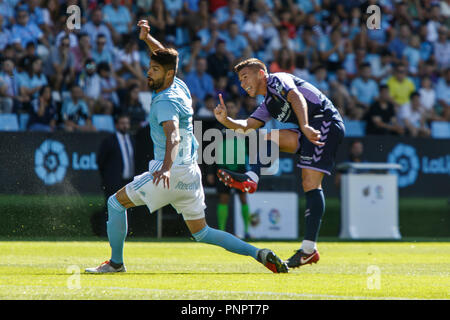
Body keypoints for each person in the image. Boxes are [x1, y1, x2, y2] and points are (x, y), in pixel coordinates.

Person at [85, 20, 288, 274]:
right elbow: (169, 59)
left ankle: (115, 263)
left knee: (115, 204)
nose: (149, 72)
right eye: (150, 67)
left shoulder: (164, 102)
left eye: (154, 69)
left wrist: (167, 169)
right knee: (202, 232)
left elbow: (173, 137)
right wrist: (148, 39)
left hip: (169, 172)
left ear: (167, 74)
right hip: (191, 173)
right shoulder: (179, 86)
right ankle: (258, 253)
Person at [213, 58, 345, 269]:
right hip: (309, 125)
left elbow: (296, 97)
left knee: (310, 183)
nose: (242, 84)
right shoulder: (268, 103)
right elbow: (247, 126)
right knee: (267, 138)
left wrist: (305, 126)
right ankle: (252, 178)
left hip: (324, 121)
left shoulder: (277, 80)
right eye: (239, 80)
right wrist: (225, 121)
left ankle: (308, 250)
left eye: (245, 77)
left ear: (261, 74)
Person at [97, 113, 135, 198]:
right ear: (116, 125)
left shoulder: (132, 139)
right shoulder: (109, 141)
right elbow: (100, 161)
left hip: (130, 182)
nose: (125, 126)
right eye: (122, 123)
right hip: (114, 182)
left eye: (127, 123)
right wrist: (108, 178)